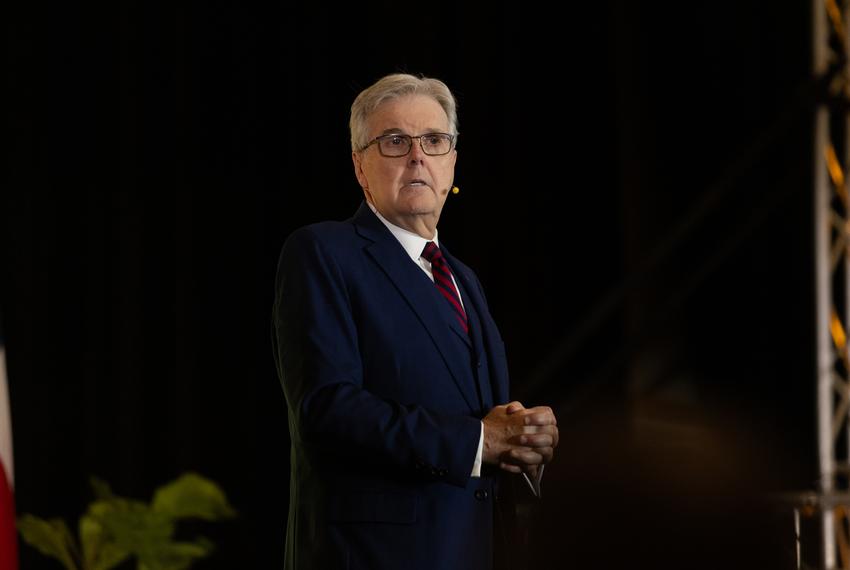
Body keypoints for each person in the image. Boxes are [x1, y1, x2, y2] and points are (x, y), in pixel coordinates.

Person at [271, 72, 559, 570]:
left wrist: (523, 445)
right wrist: (479, 441)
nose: (417, 155)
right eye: (395, 141)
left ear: (452, 161)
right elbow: (326, 409)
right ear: (360, 166)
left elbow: (484, 428)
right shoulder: (323, 251)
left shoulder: (464, 279)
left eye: (433, 140)